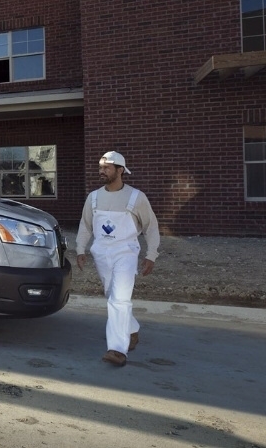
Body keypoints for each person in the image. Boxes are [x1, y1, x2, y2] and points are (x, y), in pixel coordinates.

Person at [76, 151, 160, 367]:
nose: (101, 171)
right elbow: (85, 225)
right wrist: (80, 249)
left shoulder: (136, 197)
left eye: (107, 167)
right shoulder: (93, 197)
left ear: (120, 170)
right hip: (101, 253)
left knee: (119, 300)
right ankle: (131, 329)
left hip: (126, 253)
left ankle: (117, 349)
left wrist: (151, 254)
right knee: (112, 296)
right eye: (100, 167)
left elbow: (151, 227)